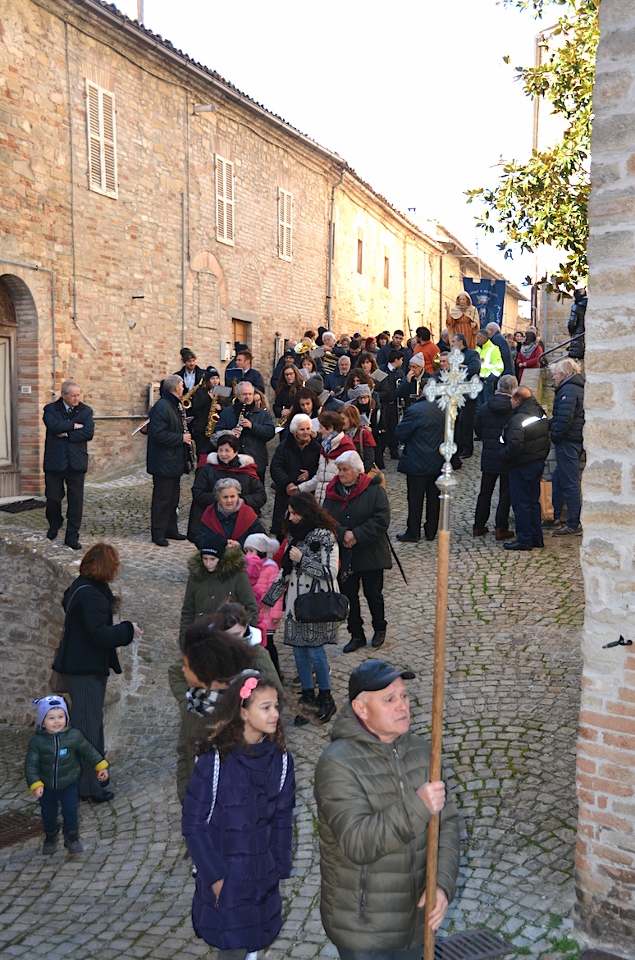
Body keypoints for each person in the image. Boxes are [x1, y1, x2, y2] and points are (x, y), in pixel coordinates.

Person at [314, 660, 460, 957]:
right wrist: (418, 806)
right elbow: (357, 842)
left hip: (416, 923)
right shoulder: (337, 764)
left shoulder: (424, 752)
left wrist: (442, 884)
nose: (403, 705)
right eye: (390, 699)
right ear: (361, 709)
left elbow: (447, 824)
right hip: (364, 931)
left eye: (404, 696)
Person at [182, 674, 295, 960]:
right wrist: (215, 878)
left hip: (263, 876)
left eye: (276, 706)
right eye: (265, 707)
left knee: (254, 943)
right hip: (227, 878)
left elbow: (283, 816)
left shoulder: (281, 759)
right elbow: (193, 824)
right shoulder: (214, 761)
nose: (275, 714)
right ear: (243, 712)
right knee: (233, 949)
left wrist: (279, 865)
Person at [52, 542, 142, 802]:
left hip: (82, 666)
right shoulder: (91, 595)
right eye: (116, 565)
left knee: (90, 724)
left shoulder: (83, 586)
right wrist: (128, 629)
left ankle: (96, 777)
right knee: (87, 729)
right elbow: (100, 634)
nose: (118, 569)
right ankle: (89, 787)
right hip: (84, 670)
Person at [262, 493, 341, 725]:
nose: (292, 517)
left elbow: (330, 572)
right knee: (298, 651)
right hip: (295, 604)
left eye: (296, 513)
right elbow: (285, 572)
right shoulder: (293, 536)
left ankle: (326, 697)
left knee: (315, 651)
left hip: (316, 603)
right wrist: (270, 598)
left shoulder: (326, 536)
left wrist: (302, 559)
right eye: (290, 513)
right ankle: (307, 696)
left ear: (307, 511)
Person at [169, 619, 257, 804]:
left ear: (203, 669)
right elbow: (184, 753)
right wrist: (187, 797)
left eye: (186, 665)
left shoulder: (240, 708)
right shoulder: (194, 704)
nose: (182, 670)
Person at [323, 451, 391, 652]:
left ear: (357, 471)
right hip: (346, 555)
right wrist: (343, 533)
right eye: (339, 470)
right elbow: (326, 519)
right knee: (349, 596)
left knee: (373, 594)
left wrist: (356, 535)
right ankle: (356, 634)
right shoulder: (333, 492)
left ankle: (379, 628)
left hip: (371, 552)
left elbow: (381, 520)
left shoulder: (374, 490)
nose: (341, 474)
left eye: (345, 470)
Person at [25, 696, 109, 854]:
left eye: (61, 716)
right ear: (43, 721)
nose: (57, 721)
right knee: (48, 812)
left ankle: (71, 837)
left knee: (70, 811)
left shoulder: (74, 736)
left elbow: (88, 751)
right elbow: (31, 765)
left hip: (69, 783)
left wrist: (100, 766)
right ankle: (50, 836)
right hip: (46, 786)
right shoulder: (37, 742)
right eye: (51, 718)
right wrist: (35, 783)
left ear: (66, 717)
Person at [43, 379, 95, 550]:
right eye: (73, 395)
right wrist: (73, 426)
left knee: (76, 501)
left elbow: (88, 432)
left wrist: (66, 433)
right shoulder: (51, 409)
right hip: (55, 461)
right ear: (63, 395)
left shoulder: (85, 411)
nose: (76, 398)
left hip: (76, 462)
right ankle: (55, 523)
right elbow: (53, 426)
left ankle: (72, 535)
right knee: (53, 497)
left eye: (78, 395)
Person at [188, 431, 266, 541]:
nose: (223, 454)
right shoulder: (208, 469)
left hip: (241, 521)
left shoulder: (246, 470)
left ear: (236, 452)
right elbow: (198, 492)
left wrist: (241, 501)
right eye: (220, 450)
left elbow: (260, 495)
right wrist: (220, 500)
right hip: (213, 520)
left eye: (227, 450)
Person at [500, 386, 551, 551]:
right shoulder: (540, 413)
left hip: (521, 465)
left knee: (521, 503)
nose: (510, 401)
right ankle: (536, 537)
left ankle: (524, 539)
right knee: (533, 502)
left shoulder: (518, 418)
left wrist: (503, 456)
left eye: (511, 398)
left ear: (518, 400)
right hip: (537, 462)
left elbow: (515, 444)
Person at [179, 541, 259, 643]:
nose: (208, 563)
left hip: (230, 640)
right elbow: (188, 610)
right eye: (205, 559)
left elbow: (251, 608)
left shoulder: (237, 576)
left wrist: (244, 636)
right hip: (201, 638)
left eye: (212, 559)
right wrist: (184, 640)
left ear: (221, 558)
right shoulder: (196, 576)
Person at [147, 373, 191, 546]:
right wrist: (181, 438)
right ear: (176, 387)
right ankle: (158, 533)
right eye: (182, 386)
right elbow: (157, 434)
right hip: (163, 462)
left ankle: (170, 529)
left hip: (173, 461)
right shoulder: (162, 406)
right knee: (162, 499)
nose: (184, 388)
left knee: (173, 498)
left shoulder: (174, 404)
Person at [394, 395, 445, 544]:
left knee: (415, 499)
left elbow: (400, 433)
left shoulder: (415, 410)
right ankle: (431, 531)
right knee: (434, 498)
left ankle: (413, 531)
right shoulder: (444, 409)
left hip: (416, 461)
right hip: (437, 460)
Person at [473, 374, 517, 539]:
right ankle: (501, 527)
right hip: (506, 455)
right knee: (505, 493)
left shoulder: (485, 407)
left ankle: (478, 525)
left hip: (489, 455)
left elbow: (478, 429)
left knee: (485, 492)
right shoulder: (514, 409)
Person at [547, 357, 585, 537]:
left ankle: (573, 523)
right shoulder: (575, 387)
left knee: (569, 483)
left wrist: (555, 437)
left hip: (568, 441)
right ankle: (553, 515)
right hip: (574, 439)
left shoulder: (568, 390)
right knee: (558, 477)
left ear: (563, 374)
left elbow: (564, 419)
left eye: (555, 374)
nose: (553, 377)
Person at [270, 413, 321, 538]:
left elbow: (320, 469)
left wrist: (310, 473)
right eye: (302, 429)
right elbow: (276, 467)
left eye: (308, 428)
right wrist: (287, 483)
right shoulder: (284, 446)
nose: (306, 432)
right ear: (295, 431)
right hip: (286, 494)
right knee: (283, 530)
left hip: (307, 494)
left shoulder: (316, 447)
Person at [213, 380, 275, 482]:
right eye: (244, 394)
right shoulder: (227, 412)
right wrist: (229, 433)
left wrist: (252, 426)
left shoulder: (262, 414)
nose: (248, 397)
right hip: (232, 461)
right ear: (238, 395)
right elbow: (216, 434)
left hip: (256, 460)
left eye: (250, 394)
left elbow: (270, 432)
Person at [243, 533, 285, 678]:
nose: (248, 554)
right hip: (256, 614)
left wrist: (276, 613)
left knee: (269, 644)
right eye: (246, 551)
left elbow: (276, 593)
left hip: (267, 614)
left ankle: (275, 671)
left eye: (251, 551)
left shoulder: (271, 568)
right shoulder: (247, 568)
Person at [297, 411, 355, 504]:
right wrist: (300, 489)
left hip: (336, 503)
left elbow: (352, 479)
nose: (319, 431)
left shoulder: (346, 447)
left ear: (330, 428)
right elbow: (320, 477)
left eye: (321, 427)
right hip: (322, 502)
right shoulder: (325, 447)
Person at [195, 478, 265, 551]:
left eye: (232, 496)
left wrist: (241, 545)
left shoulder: (248, 513)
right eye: (225, 497)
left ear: (238, 497)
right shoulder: (210, 513)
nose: (229, 501)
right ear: (218, 499)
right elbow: (200, 539)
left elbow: (261, 539)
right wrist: (219, 545)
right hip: (216, 556)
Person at [450, 333, 481, 458]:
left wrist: (458, 370)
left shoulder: (472, 354)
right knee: (456, 422)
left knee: (467, 423)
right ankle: (459, 446)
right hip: (455, 394)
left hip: (468, 394)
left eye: (453, 341)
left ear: (460, 342)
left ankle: (467, 448)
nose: (451, 344)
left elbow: (474, 368)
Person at [189, 366, 225, 463]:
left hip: (217, 428)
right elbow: (195, 407)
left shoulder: (223, 392)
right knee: (202, 455)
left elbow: (230, 407)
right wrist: (207, 397)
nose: (215, 381)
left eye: (217, 378)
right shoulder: (200, 391)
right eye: (212, 378)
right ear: (208, 380)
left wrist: (221, 408)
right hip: (202, 429)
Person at [379, 348, 405, 459]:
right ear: (396, 360)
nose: (402, 362)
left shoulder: (399, 372)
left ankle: (394, 451)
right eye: (401, 359)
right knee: (383, 428)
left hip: (394, 404)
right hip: (383, 404)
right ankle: (380, 452)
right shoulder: (381, 370)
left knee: (394, 427)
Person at [340, 405, 377, 472]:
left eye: (343, 419)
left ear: (352, 419)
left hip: (358, 472)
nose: (340, 421)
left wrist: (359, 474)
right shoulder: (337, 434)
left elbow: (369, 459)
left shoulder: (364, 434)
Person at [475, 329, 504, 401]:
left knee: (487, 402)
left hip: (487, 382)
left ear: (484, 338)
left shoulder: (493, 349)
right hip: (478, 380)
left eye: (478, 337)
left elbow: (499, 367)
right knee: (478, 403)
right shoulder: (478, 349)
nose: (476, 339)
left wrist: (489, 379)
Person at [567, 287, 587, 359]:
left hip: (579, 337)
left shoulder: (576, 306)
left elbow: (572, 323)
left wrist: (571, 333)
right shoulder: (590, 305)